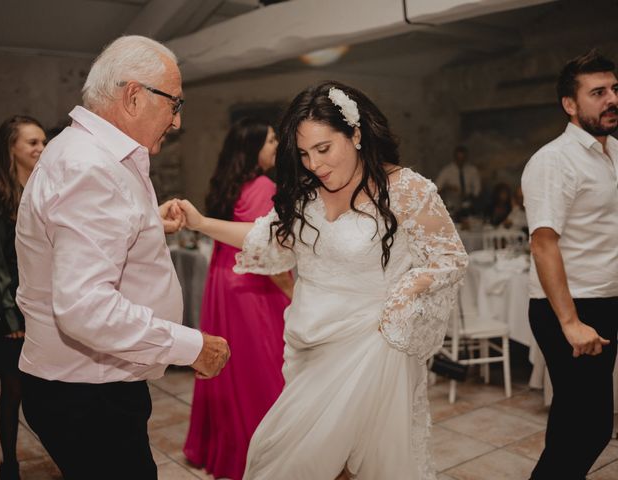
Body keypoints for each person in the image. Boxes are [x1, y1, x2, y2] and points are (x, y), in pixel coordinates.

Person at [178, 80, 468, 480]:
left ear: (356, 133)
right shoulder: (306, 194)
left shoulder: (406, 190)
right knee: (282, 454)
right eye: (303, 153)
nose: (313, 164)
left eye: (323, 149)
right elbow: (267, 239)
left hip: (371, 349)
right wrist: (200, 222)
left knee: (340, 463)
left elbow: (449, 257)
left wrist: (406, 292)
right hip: (307, 346)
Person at [14, 35, 230, 480]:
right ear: (134, 96)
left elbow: (82, 235)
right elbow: (85, 308)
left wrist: (148, 223)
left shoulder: (83, 151)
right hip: (86, 392)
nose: (176, 120)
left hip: (89, 382)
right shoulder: (92, 166)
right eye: (174, 103)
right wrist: (189, 346)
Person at [521, 49, 618, 480]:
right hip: (571, 307)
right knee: (591, 427)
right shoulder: (553, 161)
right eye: (597, 92)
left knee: (571, 423)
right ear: (570, 104)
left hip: (606, 297)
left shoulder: (614, 151)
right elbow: (543, 245)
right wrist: (571, 322)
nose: (611, 99)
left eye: (614, 89)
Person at [183, 118, 293, 479]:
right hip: (253, 288)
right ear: (253, 147)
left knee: (230, 371)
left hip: (222, 283)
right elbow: (267, 253)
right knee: (264, 373)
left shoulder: (227, 184)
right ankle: (262, 455)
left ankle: (222, 448)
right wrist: (294, 294)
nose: (277, 146)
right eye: (272, 140)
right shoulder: (263, 185)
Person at [0, 115, 46, 480]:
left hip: (42, 307)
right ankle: (9, 463)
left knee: (47, 390)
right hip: (12, 314)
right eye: (32, 142)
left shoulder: (43, 189)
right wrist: (11, 317)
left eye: (43, 142)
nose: (41, 148)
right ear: (11, 149)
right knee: (13, 389)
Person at [435, 145, 481, 218]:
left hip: (468, 204)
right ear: (454, 157)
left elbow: (477, 189)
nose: (460, 161)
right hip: (452, 205)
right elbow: (436, 188)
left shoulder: (472, 171)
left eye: (463, 159)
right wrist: (448, 187)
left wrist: (470, 197)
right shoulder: (446, 171)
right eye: (458, 158)